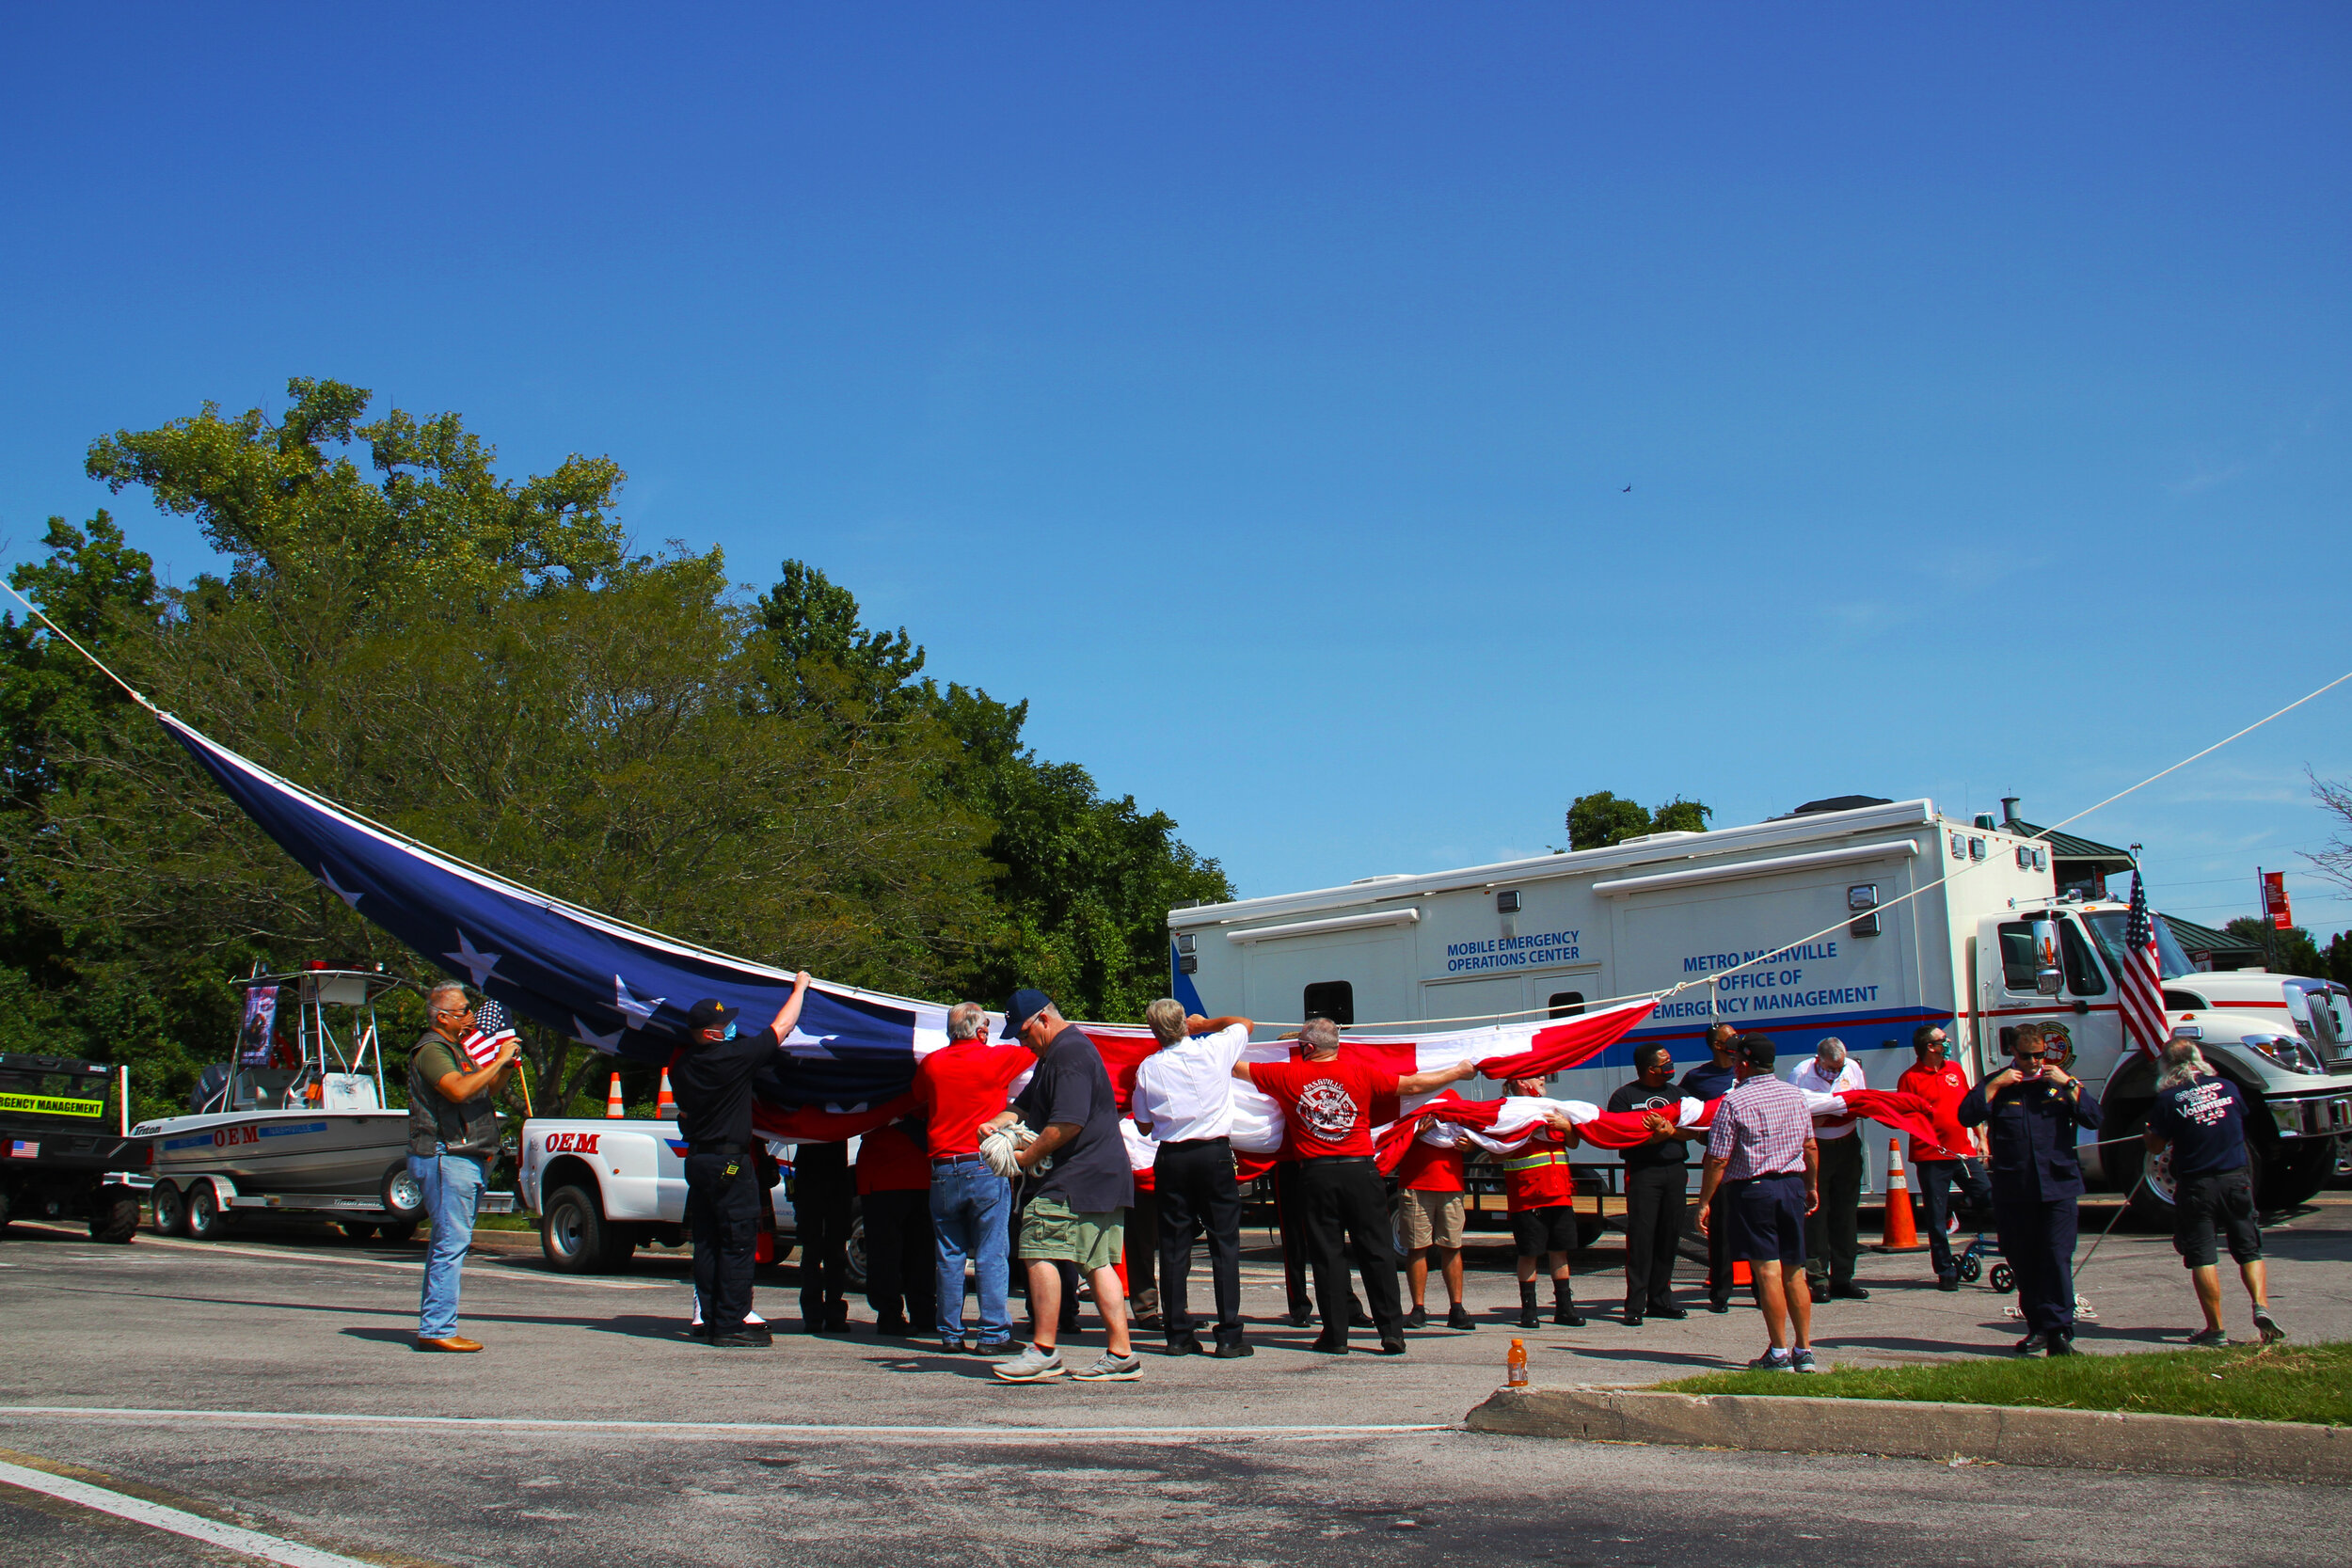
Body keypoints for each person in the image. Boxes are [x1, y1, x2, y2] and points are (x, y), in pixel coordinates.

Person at [1234, 1017, 1476, 1354]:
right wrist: (1458, 1071)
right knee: (1376, 1251)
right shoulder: (1360, 1072)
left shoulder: (1287, 1075)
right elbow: (1415, 1085)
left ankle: (1335, 1336)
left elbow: (1234, 1066)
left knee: (1328, 1256)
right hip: (1360, 1171)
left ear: (1307, 1048)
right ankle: (1392, 1332)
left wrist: (1202, 1032)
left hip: (1316, 1175)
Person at [987, 990, 1141, 1384]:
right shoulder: (1057, 1054)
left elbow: (1067, 1123)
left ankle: (1043, 1350)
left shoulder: (1068, 1054)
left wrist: (1022, 1159)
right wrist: (996, 1124)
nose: (1021, 1042)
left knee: (1036, 1244)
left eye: (1023, 1033)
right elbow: (1024, 1103)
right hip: (1104, 1175)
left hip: (1077, 1175)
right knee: (1097, 1261)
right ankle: (1121, 1354)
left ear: (1043, 1019)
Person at [669, 974, 815, 1349]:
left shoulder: (682, 1067)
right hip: (729, 1165)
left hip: (698, 1160)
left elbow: (684, 1114)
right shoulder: (733, 1058)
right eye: (723, 1025)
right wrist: (799, 988)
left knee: (707, 1242)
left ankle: (713, 1316)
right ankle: (730, 1324)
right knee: (736, 1242)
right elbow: (782, 1027)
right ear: (710, 1034)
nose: (730, 1028)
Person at [1958, 1022, 2103, 1355]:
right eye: (2027, 1056)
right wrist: (1995, 1085)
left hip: (2057, 1186)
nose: (2035, 1062)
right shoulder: (2003, 1084)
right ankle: (2038, 1326)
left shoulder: (2058, 1084)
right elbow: (1967, 1114)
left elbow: (2094, 1118)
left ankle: (2060, 1331)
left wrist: (2072, 1085)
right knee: (2024, 1260)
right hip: (2015, 1188)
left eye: (2040, 1055)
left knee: (2055, 1257)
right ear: (2014, 1053)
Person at [1128, 999, 1255, 1357]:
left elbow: (1142, 1123)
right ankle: (1229, 1332)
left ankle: (1177, 1334)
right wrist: (1206, 1024)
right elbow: (1244, 1021)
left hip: (1172, 1156)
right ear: (1184, 1024)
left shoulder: (1149, 1068)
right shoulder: (1214, 1048)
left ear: (1154, 1032)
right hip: (1213, 1153)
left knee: (1173, 1245)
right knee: (1224, 1243)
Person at [2145, 1036, 2283, 1347]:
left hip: (2197, 1185)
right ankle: (2261, 1305)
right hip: (2237, 1179)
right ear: (2200, 1059)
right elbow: (2237, 1120)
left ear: (2166, 1066)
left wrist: (2149, 1134)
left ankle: (2216, 1329)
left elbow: (2156, 1145)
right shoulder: (2229, 1088)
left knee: (2203, 1256)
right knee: (2249, 1249)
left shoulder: (2169, 1100)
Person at [1693, 1033, 1820, 1372]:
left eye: (1736, 1060)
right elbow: (1810, 1145)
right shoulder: (1795, 1095)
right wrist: (1810, 1184)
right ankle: (1804, 1350)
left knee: (1767, 1271)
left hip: (1754, 1189)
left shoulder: (1734, 1102)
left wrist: (1704, 1200)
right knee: (1796, 1271)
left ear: (1745, 1064)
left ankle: (1779, 1351)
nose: (1733, 1065)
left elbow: (1717, 1159)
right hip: (1791, 1184)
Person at [911, 1001, 1027, 1355]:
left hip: (944, 1168)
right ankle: (993, 1333)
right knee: (992, 1251)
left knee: (949, 1254)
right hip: (984, 1164)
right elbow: (1034, 1048)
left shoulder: (931, 1064)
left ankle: (950, 1333)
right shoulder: (995, 1059)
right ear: (980, 1031)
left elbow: (917, 1098)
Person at [407, 981, 518, 1353]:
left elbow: (484, 1090)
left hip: (465, 1156)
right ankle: (437, 1327)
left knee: (453, 1241)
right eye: (463, 1011)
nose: (470, 1016)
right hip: (445, 1154)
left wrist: (503, 1066)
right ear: (442, 1017)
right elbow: (456, 1090)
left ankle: (436, 1325)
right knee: (450, 1243)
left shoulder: (459, 1049)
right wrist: (498, 1059)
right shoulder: (433, 1049)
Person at [1898, 1022, 1993, 1291]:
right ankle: (1945, 1270)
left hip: (1963, 1152)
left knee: (1987, 1195)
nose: (1947, 1042)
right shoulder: (1910, 1078)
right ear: (1930, 1047)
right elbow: (1906, 1116)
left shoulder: (1955, 1070)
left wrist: (1981, 1138)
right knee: (1935, 1217)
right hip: (1931, 1156)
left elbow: (1970, 1107)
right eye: (1943, 1039)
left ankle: (1962, 1211)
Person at [1606, 1044, 1691, 1325]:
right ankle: (1635, 1305)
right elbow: (1619, 1137)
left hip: (1675, 1171)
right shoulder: (1624, 1097)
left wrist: (1671, 1132)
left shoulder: (1679, 1094)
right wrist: (1654, 1138)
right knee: (1642, 1238)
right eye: (1665, 1062)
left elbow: (1696, 1130)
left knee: (1669, 1235)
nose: (1671, 1065)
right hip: (1643, 1173)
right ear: (1649, 1068)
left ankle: (1661, 1300)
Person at [1501, 1076, 1586, 1329]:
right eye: (1537, 1076)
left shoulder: (1552, 1108)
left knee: (1560, 1250)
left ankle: (1564, 1308)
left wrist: (1567, 1127)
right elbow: (1495, 1152)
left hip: (1559, 1191)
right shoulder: (1508, 1111)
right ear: (1521, 1082)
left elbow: (1573, 1143)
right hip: (1527, 1194)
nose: (1542, 1079)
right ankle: (1529, 1310)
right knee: (1529, 1252)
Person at [1791, 1037, 1869, 1301]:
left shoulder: (1852, 1069)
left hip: (1846, 1144)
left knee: (1846, 1212)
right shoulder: (1801, 1073)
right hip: (1817, 1148)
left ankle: (1843, 1277)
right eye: (1830, 1068)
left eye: (1839, 1067)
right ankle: (1818, 1278)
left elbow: (1861, 1100)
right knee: (1816, 1212)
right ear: (1818, 1060)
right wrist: (1817, 1118)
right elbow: (1791, 1112)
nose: (1836, 1072)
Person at [1680, 1022, 1742, 1312]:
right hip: (1719, 1160)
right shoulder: (1697, 1077)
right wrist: (1698, 1131)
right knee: (1721, 1230)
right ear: (1718, 1045)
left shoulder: (1747, 1069)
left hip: (1752, 1160)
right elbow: (1681, 1110)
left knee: (1753, 1228)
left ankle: (1760, 1289)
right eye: (1730, 1037)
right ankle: (1720, 1293)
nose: (1736, 1040)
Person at [855, 1117, 935, 1338]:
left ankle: (891, 1314)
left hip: (883, 1174)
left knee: (885, 1254)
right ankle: (923, 1313)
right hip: (918, 1172)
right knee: (921, 1253)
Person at [794, 1140, 853, 1332]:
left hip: (834, 1178)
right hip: (811, 1178)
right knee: (814, 1252)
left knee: (834, 1252)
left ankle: (831, 1313)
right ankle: (814, 1315)